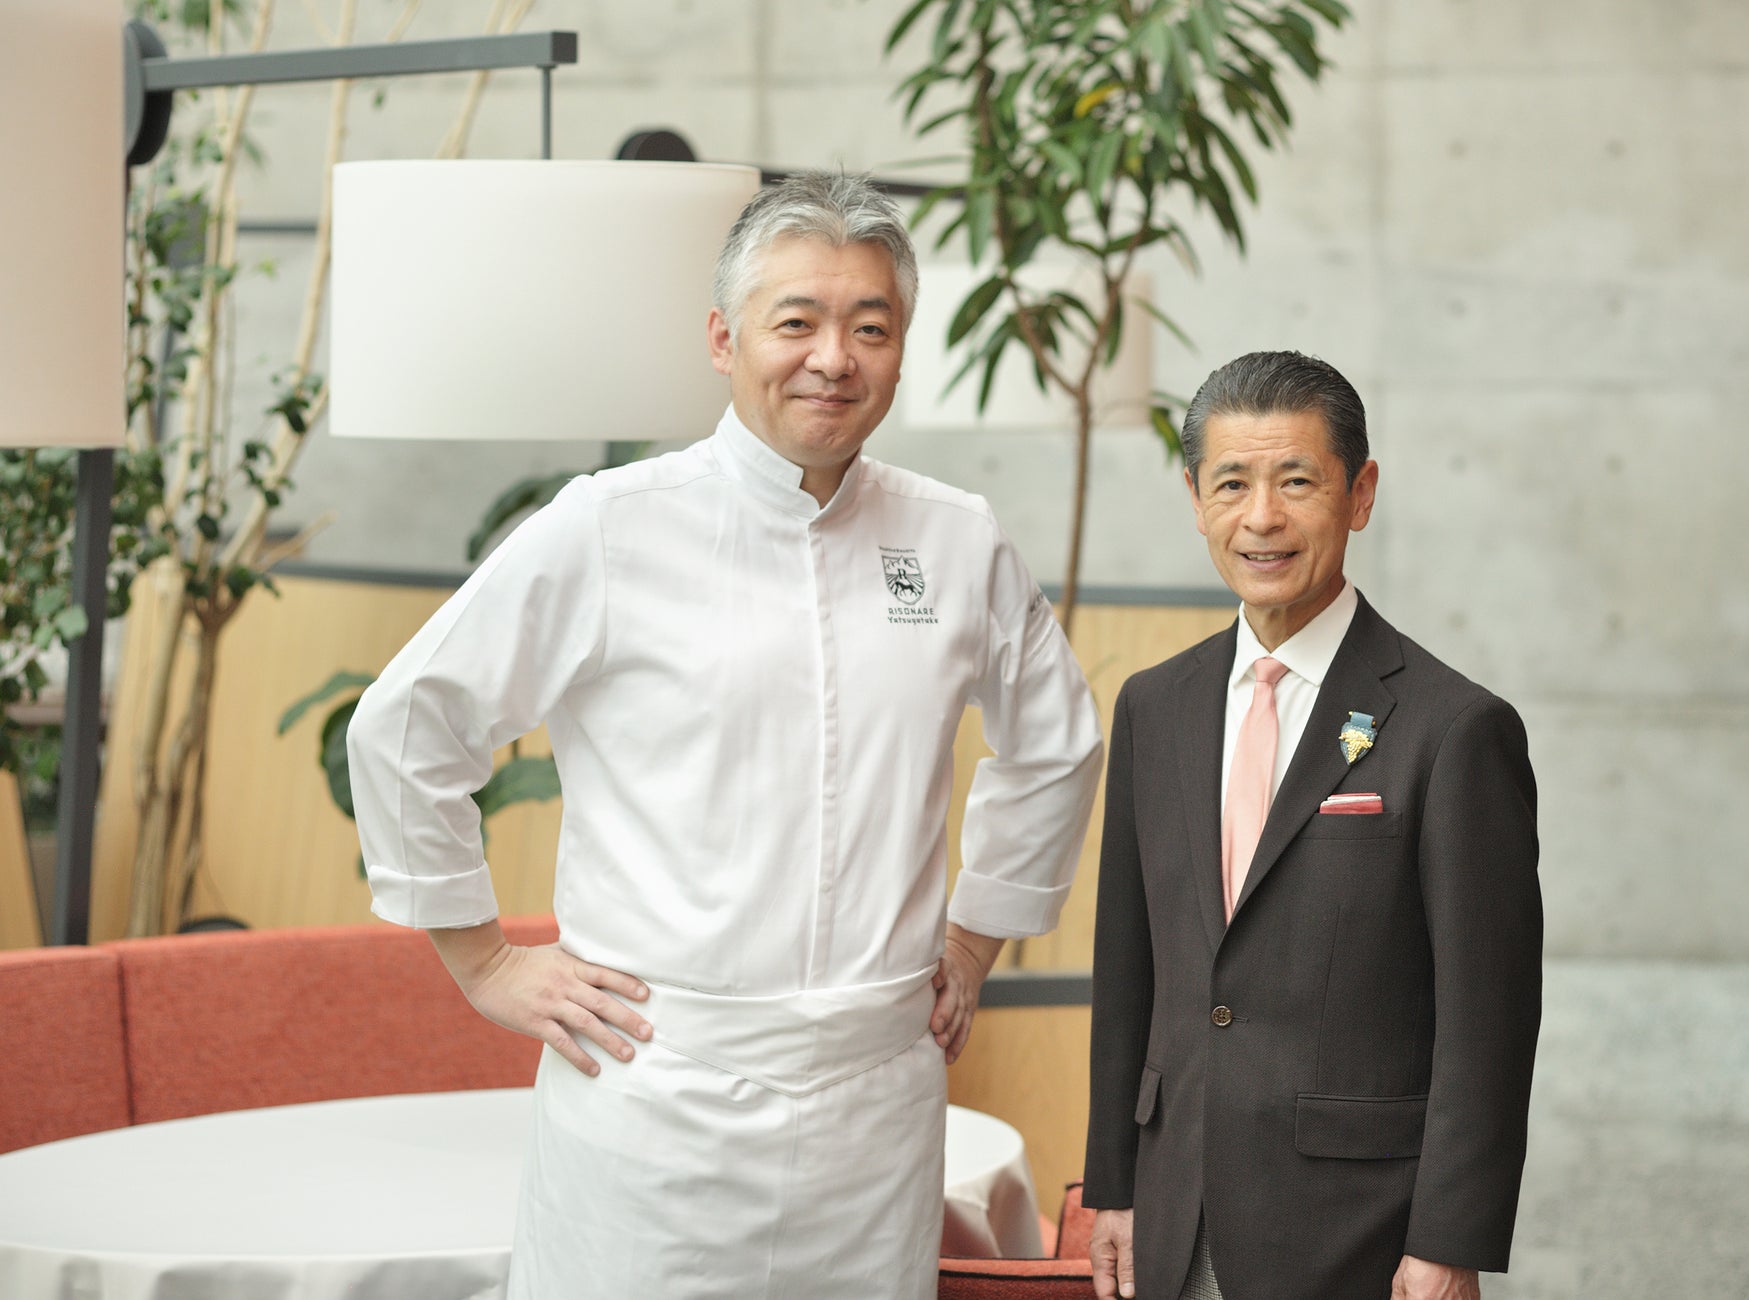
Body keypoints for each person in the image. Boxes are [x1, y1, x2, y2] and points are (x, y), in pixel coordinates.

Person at [346, 170, 1104, 1300]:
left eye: (870, 327)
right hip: (656, 1098)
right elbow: (409, 723)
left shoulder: (955, 539)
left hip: (876, 1110)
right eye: (796, 321)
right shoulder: (611, 526)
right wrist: (486, 962)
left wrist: (975, 939)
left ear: (901, 352)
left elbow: (1057, 743)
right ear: (722, 338)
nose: (833, 358)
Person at [1082, 351, 1542, 1300]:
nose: (1262, 517)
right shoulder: (1153, 707)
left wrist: (1448, 1239)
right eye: (1232, 484)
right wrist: (1114, 1187)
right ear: (1194, 499)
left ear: (1360, 494)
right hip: (1173, 1209)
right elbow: (1129, 971)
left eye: (1297, 481)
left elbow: (1487, 1020)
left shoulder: (1455, 730)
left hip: (1354, 1229)